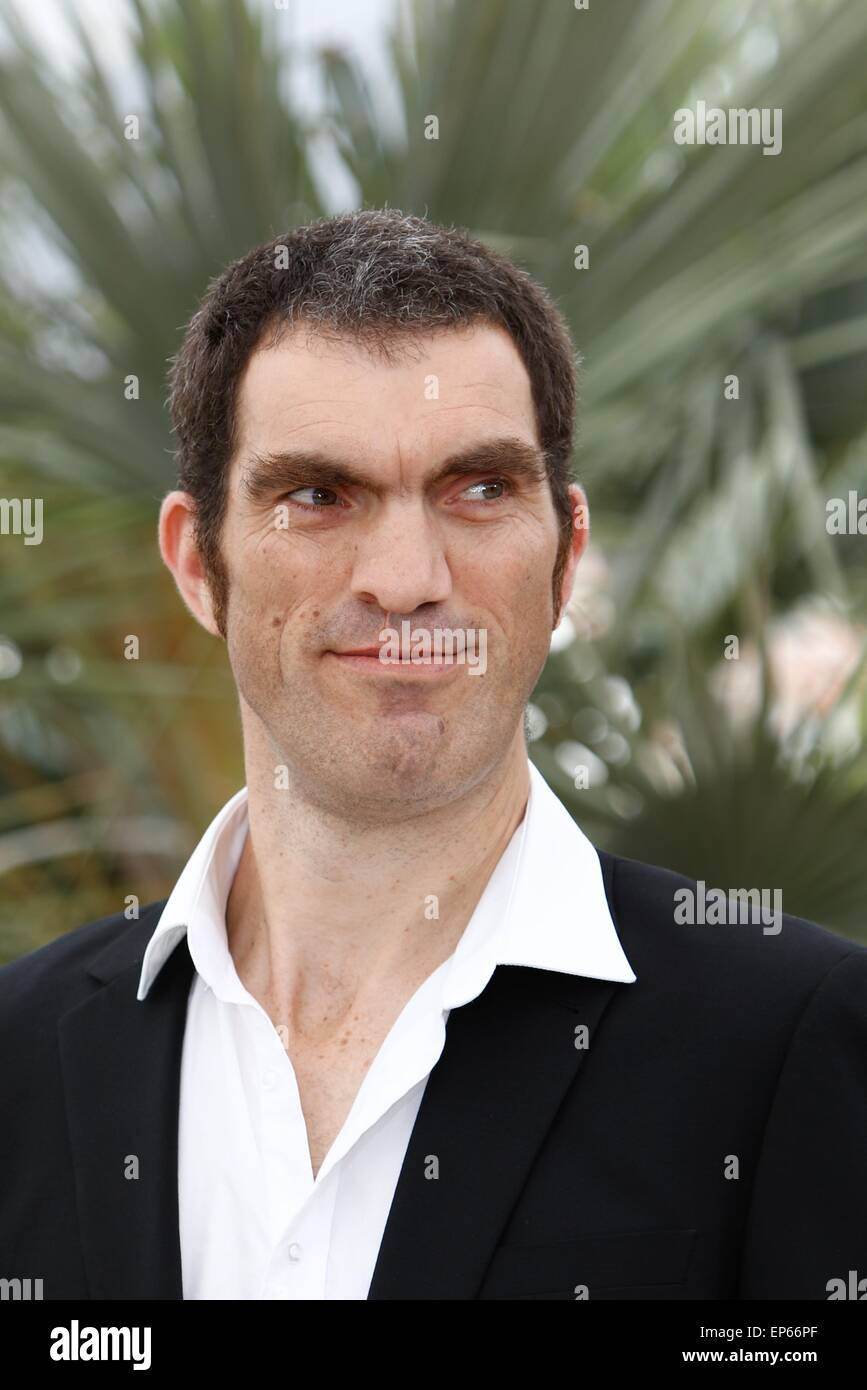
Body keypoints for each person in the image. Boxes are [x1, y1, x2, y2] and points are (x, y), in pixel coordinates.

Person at [1, 209, 865, 1301]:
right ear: (195, 563)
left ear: (568, 552)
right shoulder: (20, 1057)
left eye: (480, 489)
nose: (407, 575)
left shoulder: (790, 1038)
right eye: (318, 495)